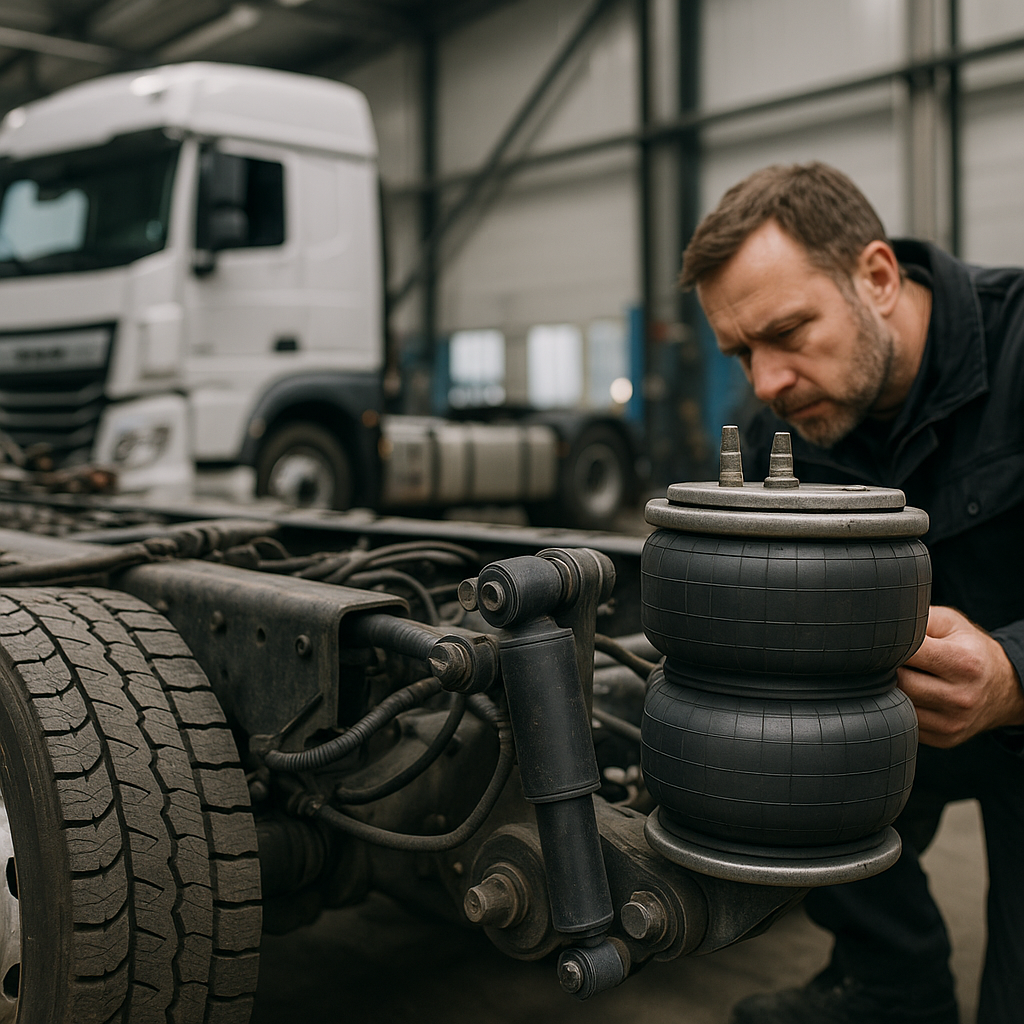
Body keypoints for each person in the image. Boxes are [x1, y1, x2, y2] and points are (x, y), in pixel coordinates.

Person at [679, 162, 1024, 1024]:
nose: (766, 383)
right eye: (741, 353)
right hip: (909, 729)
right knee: (782, 758)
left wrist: (1016, 672)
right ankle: (892, 981)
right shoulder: (780, 438)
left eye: (788, 332)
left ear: (875, 276)